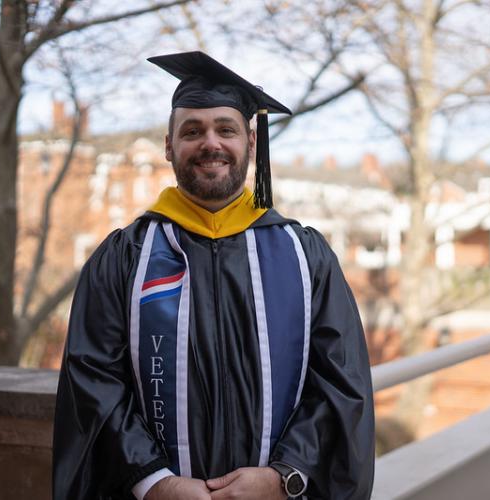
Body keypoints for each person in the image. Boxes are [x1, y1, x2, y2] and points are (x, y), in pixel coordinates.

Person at [52, 51, 375, 500]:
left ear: (251, 143)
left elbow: (340, 384)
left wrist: (284, 475)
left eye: (226, 129)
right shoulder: (125, 258)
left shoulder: (305, 257)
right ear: (169, 146)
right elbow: (94, 383)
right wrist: (152, 481)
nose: (211, 143)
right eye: (192, 131)